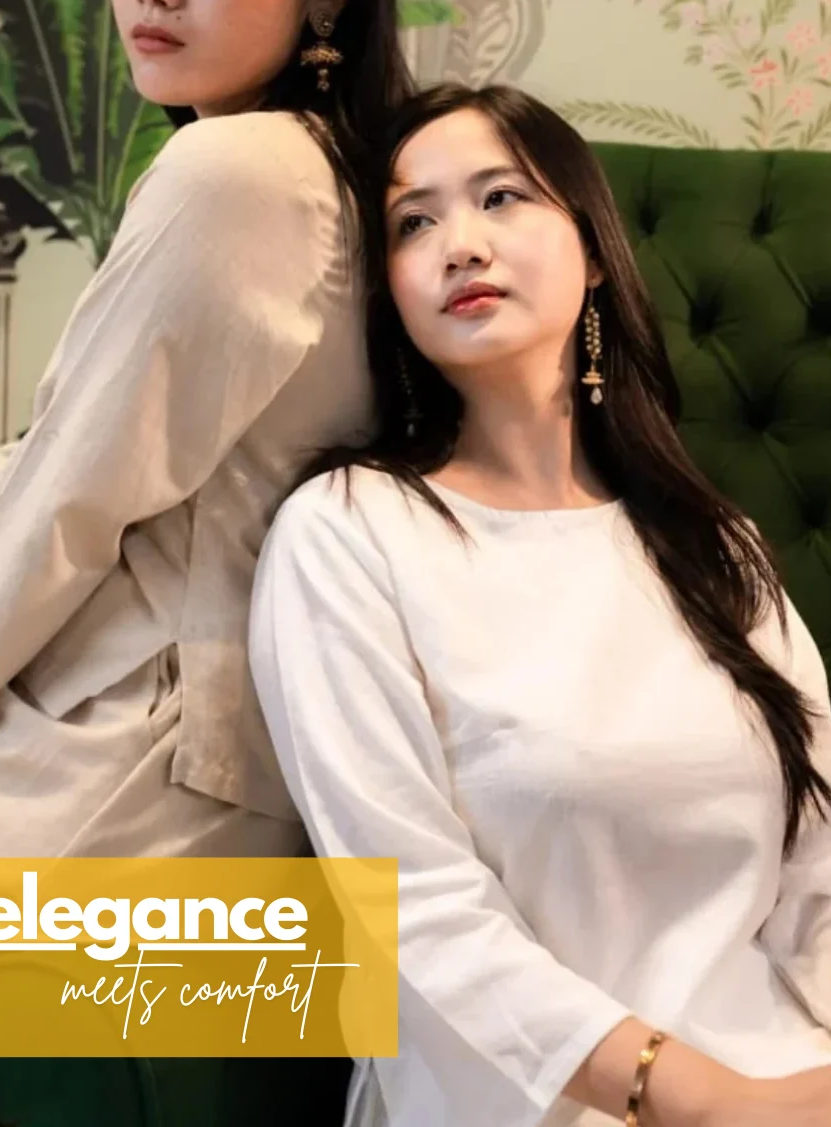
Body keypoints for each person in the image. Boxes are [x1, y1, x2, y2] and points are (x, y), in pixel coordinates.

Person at [248, 84, 831, 1127]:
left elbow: (819, 867)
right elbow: (414, 913)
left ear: (593, 249)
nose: (460, 245)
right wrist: (703, 1100)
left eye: (501, 197)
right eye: (413, 223)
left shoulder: (715, 547)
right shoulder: (346, 533)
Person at [0, 0, 412, 862]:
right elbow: (65, 438)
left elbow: (79, 488)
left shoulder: (239, 171)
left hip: (134, 748)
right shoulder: (321, 163)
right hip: (183, 733)